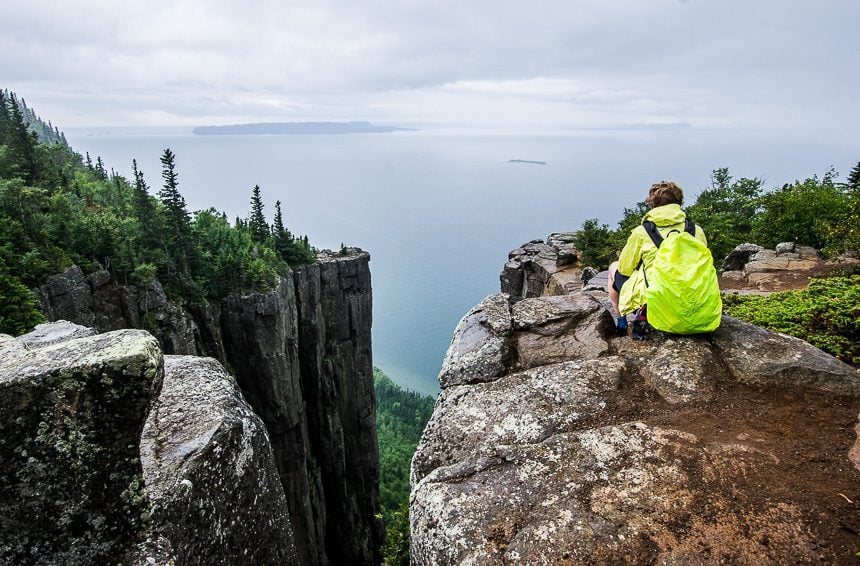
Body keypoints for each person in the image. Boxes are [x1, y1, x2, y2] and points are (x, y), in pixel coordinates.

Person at [608, 180, 708, 330]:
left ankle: (621, 321)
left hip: (657, 303)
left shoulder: (642, 232)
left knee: (613, 267)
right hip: (692, 301)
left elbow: (624, 269)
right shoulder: (696, 230)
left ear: (652, 204)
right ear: (679, 203)